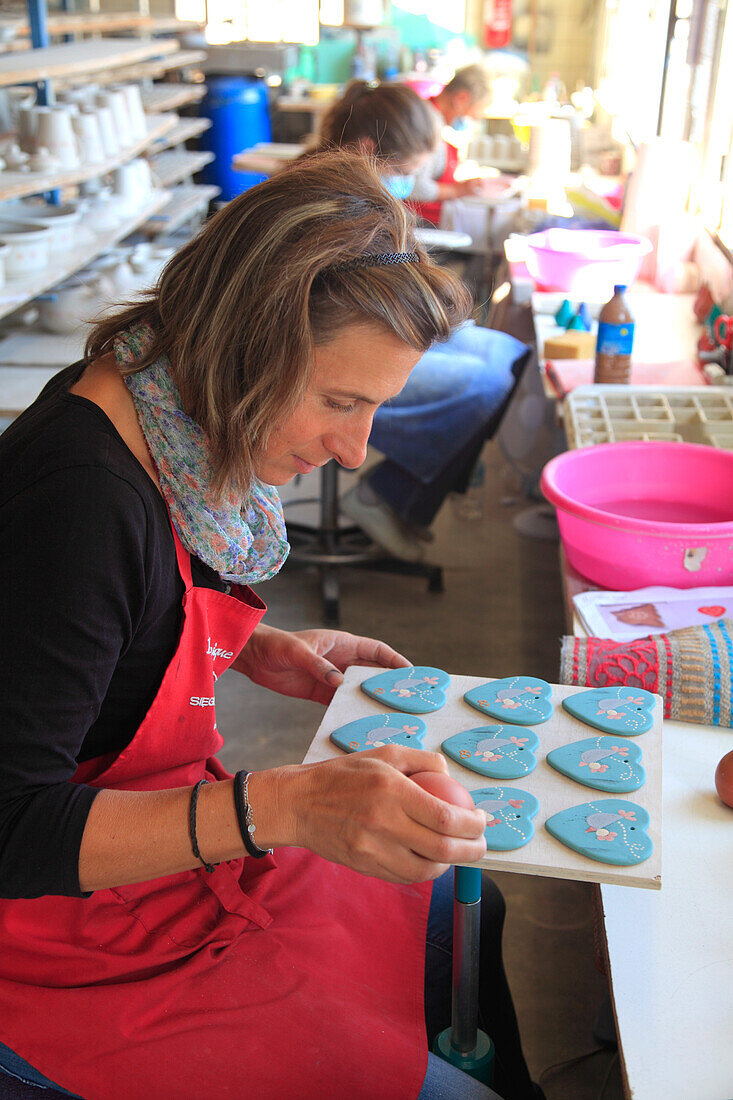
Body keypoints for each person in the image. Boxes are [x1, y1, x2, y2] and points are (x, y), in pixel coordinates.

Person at [0, 152, 538, 1100]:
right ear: (245, 341)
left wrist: (250, 645)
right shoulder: (82, 499)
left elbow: (112, 619)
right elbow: (10, 830)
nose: (354, 448)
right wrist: (281, 807)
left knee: (466, 906)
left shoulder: (162, 405)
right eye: (339, 401)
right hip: (59, 934)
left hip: (162, 851)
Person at [311, 80, 530, 562]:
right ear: (369, 150)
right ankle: (387, 497)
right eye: (406, 172)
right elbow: (355, 310)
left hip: (377, 328)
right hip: (335, 356)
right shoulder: (331, 204)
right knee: (480, 384)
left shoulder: (364, 193)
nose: (409, 184)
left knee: (509, 353)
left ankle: (402, 500)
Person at [409, 63, 493, 226]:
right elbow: (416, 187)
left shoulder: (428, 115)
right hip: (414, 223)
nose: (472, 120)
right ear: (461, 98)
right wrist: (459, 190)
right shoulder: (428, 123)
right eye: (471, 115)